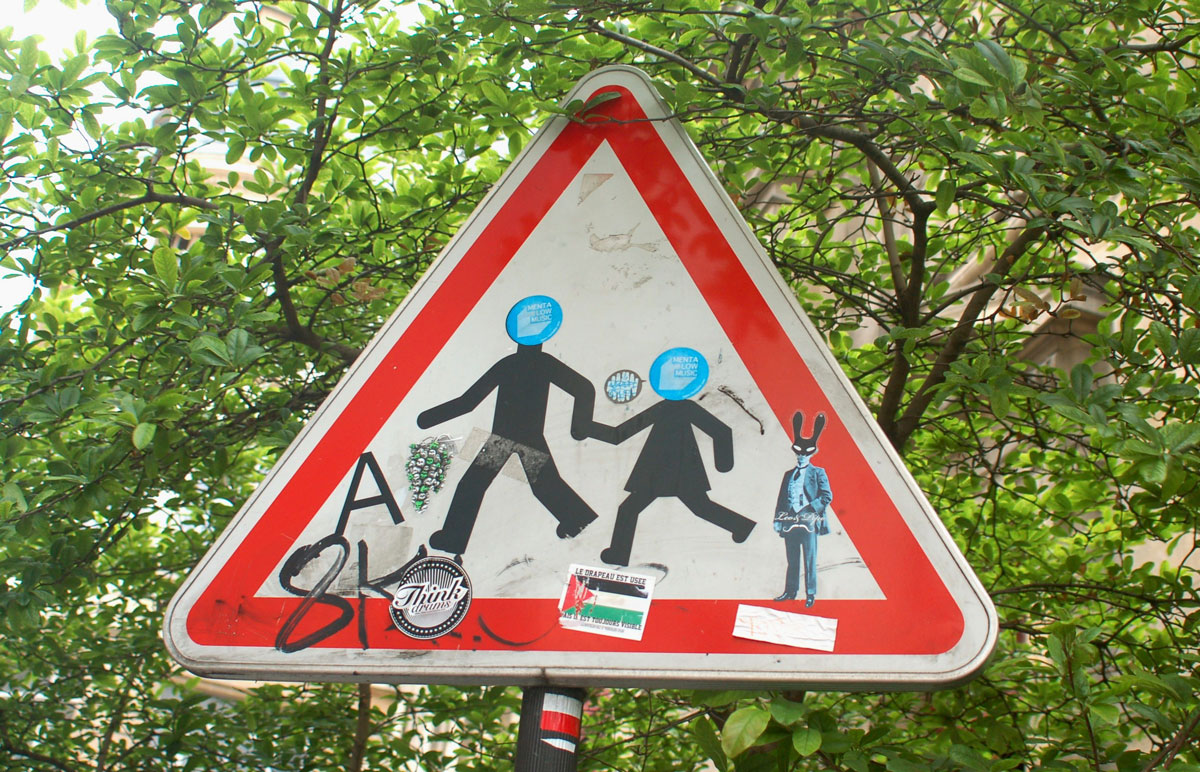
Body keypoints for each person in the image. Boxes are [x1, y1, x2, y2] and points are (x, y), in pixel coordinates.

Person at [416, 296, 599, 556]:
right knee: (540, 485)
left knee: (476, 485)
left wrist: (429, 418)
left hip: (507, 438)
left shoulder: (515, 363)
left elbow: (468, 402)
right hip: (519, 436)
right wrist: (580, 426)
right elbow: (584, 390)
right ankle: (577, 519)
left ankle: (454, 538)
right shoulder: (537, 363)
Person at [585, 348, 755, 566]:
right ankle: (741, 526)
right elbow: (621, 433)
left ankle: (619, 554)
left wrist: (588, 429)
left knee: (635, 509)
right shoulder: (673, 408)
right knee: (697, 507)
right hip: (674, 470)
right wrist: (723, 462)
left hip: (661, 470)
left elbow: (720, 431)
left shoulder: (673, 408)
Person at [773, 411, 833, 607]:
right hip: (790, 520)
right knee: (792, 559)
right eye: (799, 453)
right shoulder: (788, 474)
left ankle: (811, 594)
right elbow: (782, 499)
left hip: (809, 521)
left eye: (805, 454)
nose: (801, 457)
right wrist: (777, 519)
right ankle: (790, 591)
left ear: (811, 454)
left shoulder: (818, 473)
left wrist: (810, 509)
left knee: (809, 559)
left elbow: (826, 496)